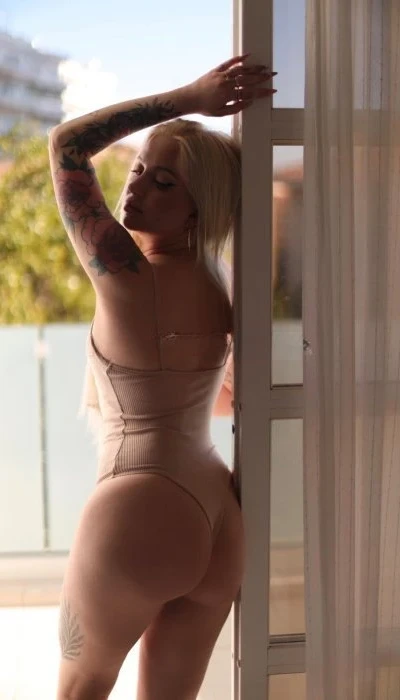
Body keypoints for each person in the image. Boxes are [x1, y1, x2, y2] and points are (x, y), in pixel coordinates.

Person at [49, 53, 275, 700]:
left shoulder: (127, 276)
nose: (137, 188)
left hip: (138, 512)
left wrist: (189, 98)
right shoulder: (219, 287)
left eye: (165, 183)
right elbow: (211, 394)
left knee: (80, 690)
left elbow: (66, 145)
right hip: (218, 519)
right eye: (140, 170)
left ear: (198, 211)